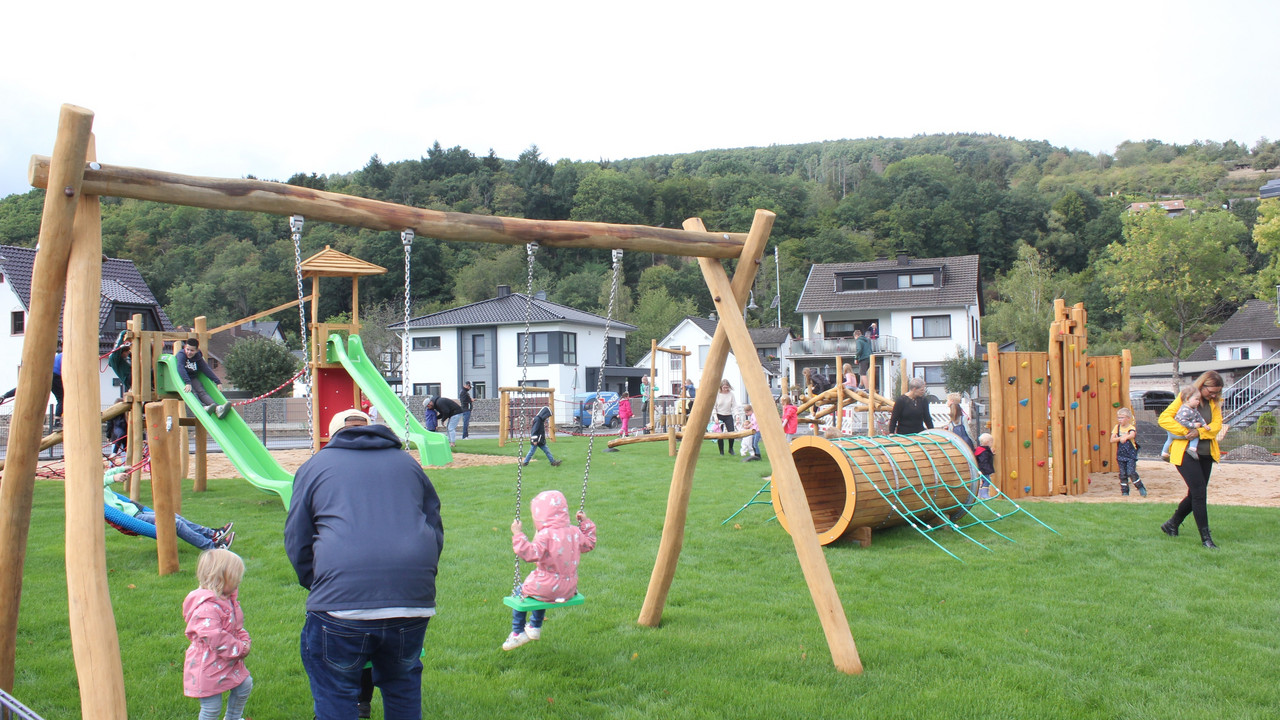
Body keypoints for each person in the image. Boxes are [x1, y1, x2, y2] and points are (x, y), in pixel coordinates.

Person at [285, 408, 444, 719]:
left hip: (341, 602)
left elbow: (298, 537)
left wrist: (317, 582)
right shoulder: (408, 465)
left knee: (335, 689)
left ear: (332, 435)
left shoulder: (316, 466)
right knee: (402, 684)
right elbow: (434, 529)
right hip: (411, 600)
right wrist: (419, 577)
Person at [503, 490, 597, 651]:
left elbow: (530, 554)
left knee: (522, 593)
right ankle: (534, 627)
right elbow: (589, 543)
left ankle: (518, 633)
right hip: (569, 589)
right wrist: (585, 522)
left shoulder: (545, 534)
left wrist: (518, 534)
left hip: (547, 587)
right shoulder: (574, 531)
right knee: (539, 592)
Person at [1157, 371, 1225, 549]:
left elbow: (1217, 425)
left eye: (1217, 392)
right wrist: (1185, 431)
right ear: (1202, 386)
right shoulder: (1185, 397)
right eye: (1211, 391)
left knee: (1195, 493)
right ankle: (1206, 539)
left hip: (1205, 453)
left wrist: (1200, 432)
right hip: (1185, 453)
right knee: (1200, 492)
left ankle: (1171, 524)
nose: (1214, 395)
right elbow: (1164, 418)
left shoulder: (1215, 403)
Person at [183, 548, 253, 720]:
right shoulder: (206, 607)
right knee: (211, 707)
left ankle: (233, 717)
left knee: (244, 685)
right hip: (208, 665)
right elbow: (216, 637)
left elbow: (235, 626)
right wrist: (240, 648)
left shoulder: (227, 598)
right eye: (235, 577)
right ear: (220, 578)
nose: (239, 580)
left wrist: (244, 637)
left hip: (226, 660)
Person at [104, 475, 234, 550]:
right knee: (175, 524)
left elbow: (105, 476)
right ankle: (213, 547)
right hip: (132, 519)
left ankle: (212, 534)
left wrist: (120, 471)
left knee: (173, 516)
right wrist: (114, 477)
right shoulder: (91, 486)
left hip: (135, 512)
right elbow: (102, 480)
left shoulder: (99, 481)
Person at [177, 339, 231, 419]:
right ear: (185, 347)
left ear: (196, 350)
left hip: (192, 377)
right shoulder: (181, 354)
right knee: (191, 391)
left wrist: (217, 381)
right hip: (181, 378)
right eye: (187, 349)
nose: (189, 352)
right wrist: (187, 383)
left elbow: (205, 368)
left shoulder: (198, 356)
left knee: (201, 391)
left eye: (192, 350)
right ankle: (203, 408)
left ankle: (217, 408)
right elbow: (180, 368)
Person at [1110, 407, 1147, 497]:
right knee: (1122, 474)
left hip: (1130, 455)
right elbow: (1112, 439)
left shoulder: (1131, 427)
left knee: (1131, 472)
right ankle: (1125, 492)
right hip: (1120, 454)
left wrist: (1125, 437)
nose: (1120, 420)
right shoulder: (1117, 427)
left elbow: (1132, 434)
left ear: (1128, 418)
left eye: (1122, 418)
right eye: (1119, 418)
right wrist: (1121, 438)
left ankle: (1140, 487)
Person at [713, 380, 739, 456]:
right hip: (719, 415)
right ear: (721, 387)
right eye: (724, 387)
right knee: (720, 434)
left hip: (728, 415)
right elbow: (714, 407)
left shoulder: (731, 395)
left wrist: (737, 415)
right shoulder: (717, 395)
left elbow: (734, 406)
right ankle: (721, 451)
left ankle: (731, 449)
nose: (726, 389)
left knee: (731, 432)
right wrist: (715, 417)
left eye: (727, 387)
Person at [973, 433, 996, 499]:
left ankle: (980, 494)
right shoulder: (984, 452)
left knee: (983, 481)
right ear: (987, 442)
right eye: (991, 442)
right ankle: (984, 494)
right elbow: (984, 461)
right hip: (983, 470)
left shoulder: (980, 450)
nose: (992, 443)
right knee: (987, 480)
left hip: (981, 469)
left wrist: (991, 453)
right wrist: (985, 470)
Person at [51, 351, 64, 427]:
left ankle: (57, 421)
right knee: (62, 398)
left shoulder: (60, 355)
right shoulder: (69, 356)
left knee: (60, 398)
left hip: (51, 375)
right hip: (56, 376)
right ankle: (57, 422)